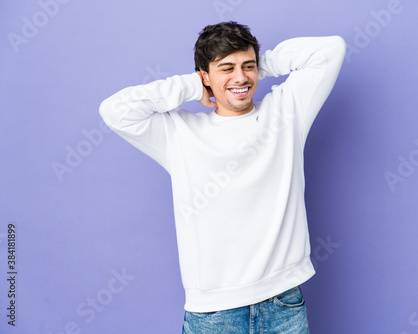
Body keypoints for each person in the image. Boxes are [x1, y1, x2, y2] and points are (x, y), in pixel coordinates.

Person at [99, 21, 346, 333]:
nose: (240, 77)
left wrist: (259, 63)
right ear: (205, 75)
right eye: (226, 67)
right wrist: (193, 85)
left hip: (283, 303)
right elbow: (115, 111)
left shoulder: (286, 113)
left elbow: (331, 49)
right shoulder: (180, 134)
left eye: (247, 66)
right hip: (214, 316)